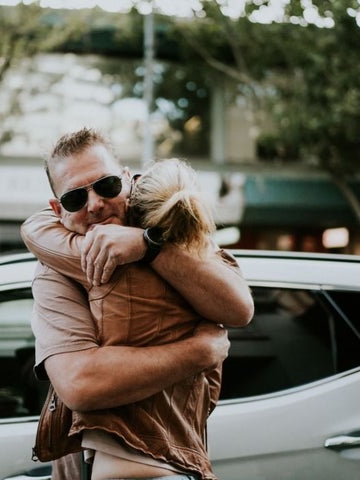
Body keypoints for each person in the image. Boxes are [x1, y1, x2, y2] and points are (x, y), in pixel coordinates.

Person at [22, 128, 254, 480]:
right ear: (57, 209)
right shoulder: (54, 271)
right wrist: (198, 351)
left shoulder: (173, 225)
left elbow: (238, 309)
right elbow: (80, 385)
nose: (95, 204)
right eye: (74, 199)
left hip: (173, 463)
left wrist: (149, 246)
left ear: (129, 180)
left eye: (107, 185)